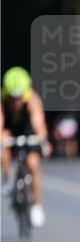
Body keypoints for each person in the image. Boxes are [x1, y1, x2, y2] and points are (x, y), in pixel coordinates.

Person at [1, 66, 51, 227]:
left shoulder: (32, 100)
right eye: (13, 97)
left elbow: (39, 125)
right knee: (4, 147)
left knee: (33, 164)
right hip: (10, 131)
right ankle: (7, 179)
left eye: (19, 97)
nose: (17, 101)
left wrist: (43, 141)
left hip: (28, 131)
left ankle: (36, 205)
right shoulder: (2, 101)